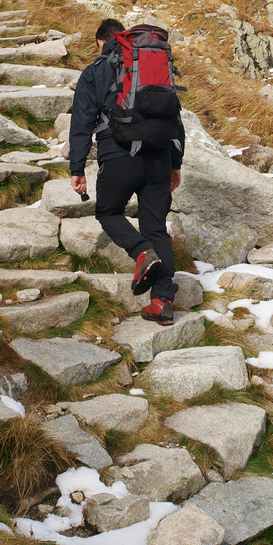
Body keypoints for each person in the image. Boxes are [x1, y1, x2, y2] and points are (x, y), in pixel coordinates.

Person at [69, 18, 184, 325]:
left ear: (100, 42)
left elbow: (81, 122)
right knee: (155, 225)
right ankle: (162, 301)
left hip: (119, 154)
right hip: (160, 156)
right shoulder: (149, 65)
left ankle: (142, 252)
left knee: (108, 213)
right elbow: (174, 115)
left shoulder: (95, 70)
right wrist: (176, 162)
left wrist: (77, 167)